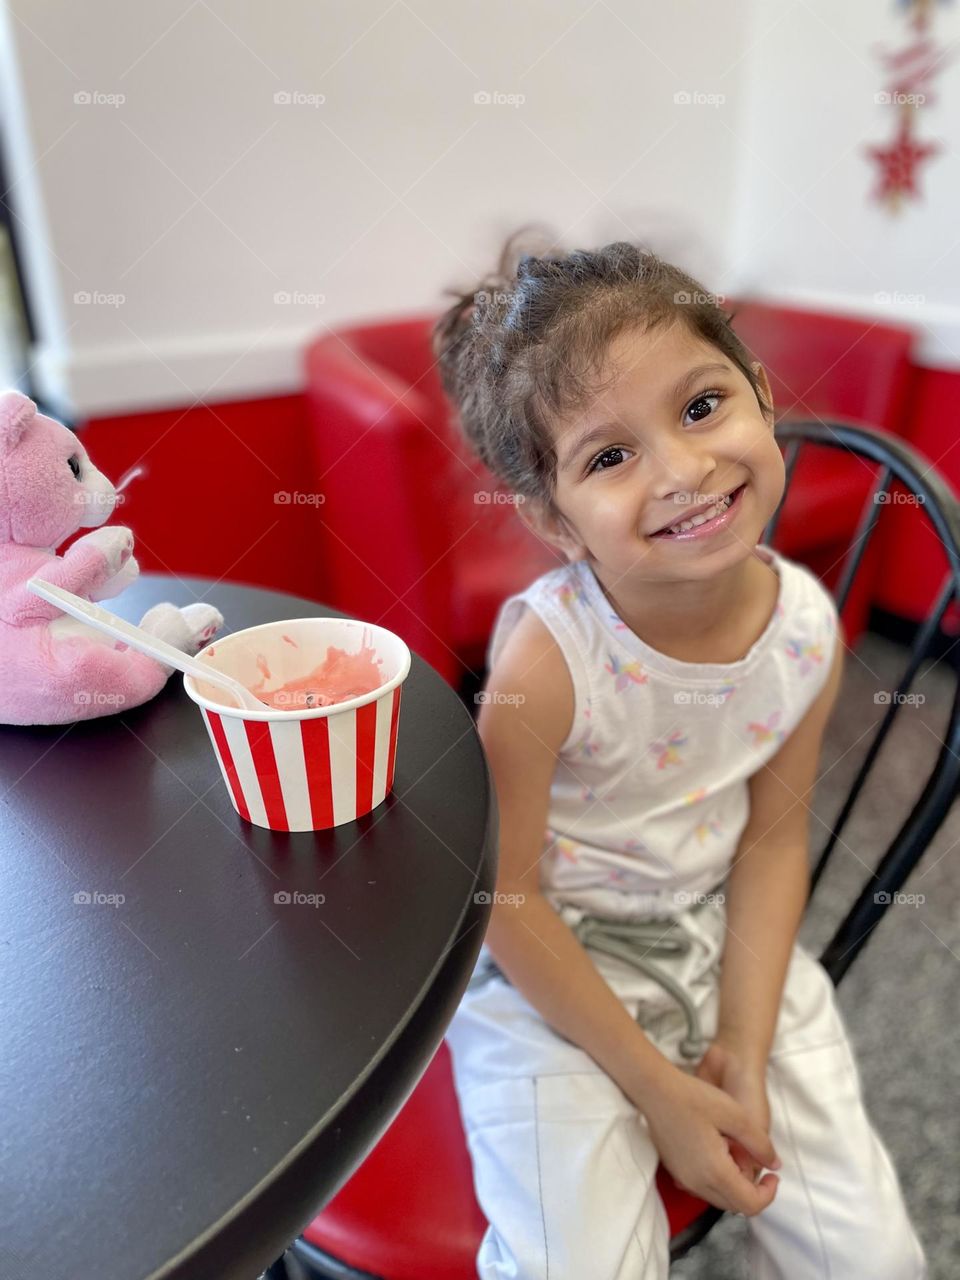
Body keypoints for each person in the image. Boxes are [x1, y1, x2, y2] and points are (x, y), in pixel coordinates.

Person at [432, 233, 927, 1279]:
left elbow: (770, 842)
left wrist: (740, 1049)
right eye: (609, 457)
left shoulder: (803, 630)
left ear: (758, 388)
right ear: (553, 520)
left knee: (876, 1258)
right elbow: (505, 896)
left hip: (718, 932)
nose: (686, 469)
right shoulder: (546, 663)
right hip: (553, 964)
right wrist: (659, 1087)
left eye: (702, 405)